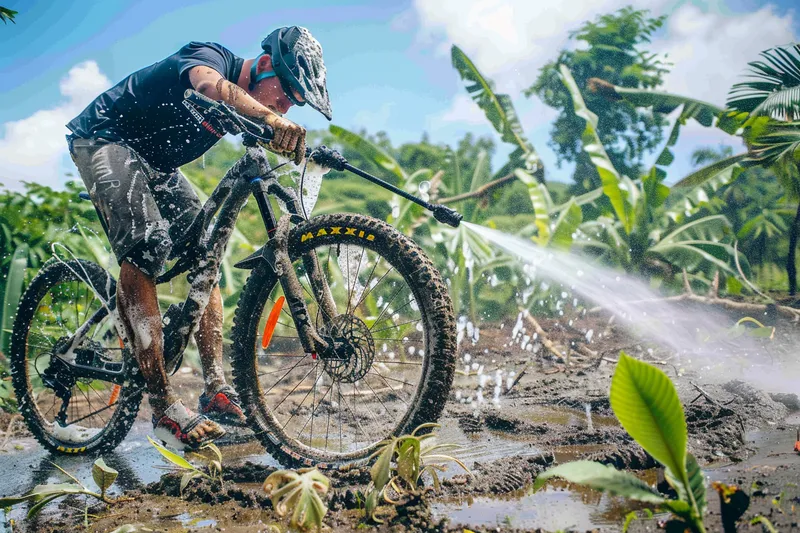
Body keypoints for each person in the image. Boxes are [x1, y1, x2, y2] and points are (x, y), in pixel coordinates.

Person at [65, 26, 332, 450]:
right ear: (264, 66)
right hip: (103, 138)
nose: (283, 108)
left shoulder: (248, 106)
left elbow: (251, 113)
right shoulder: (209, 57)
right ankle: (163, 406)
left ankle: (217, 390)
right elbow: (211, 85)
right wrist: (270, 116)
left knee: (205, 252)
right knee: (148, 245)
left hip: (156, 165)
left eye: (289, 106)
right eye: (283, 97)